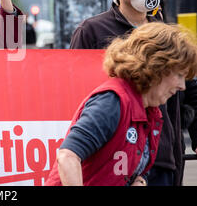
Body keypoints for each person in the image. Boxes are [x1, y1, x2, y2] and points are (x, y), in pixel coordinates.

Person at [69, 0, 197, 185]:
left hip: (164, 157)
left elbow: (189, 87)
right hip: (118, 160)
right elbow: (78, 96)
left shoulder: (163, 32)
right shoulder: (92, 31)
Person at [45, 22, 197, 186]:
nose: (182, 86)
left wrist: (140, 182)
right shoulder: (112, 102)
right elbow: (67, 156)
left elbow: (131, 171)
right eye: (180, 75)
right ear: (158, 67)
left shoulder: (151, 112)